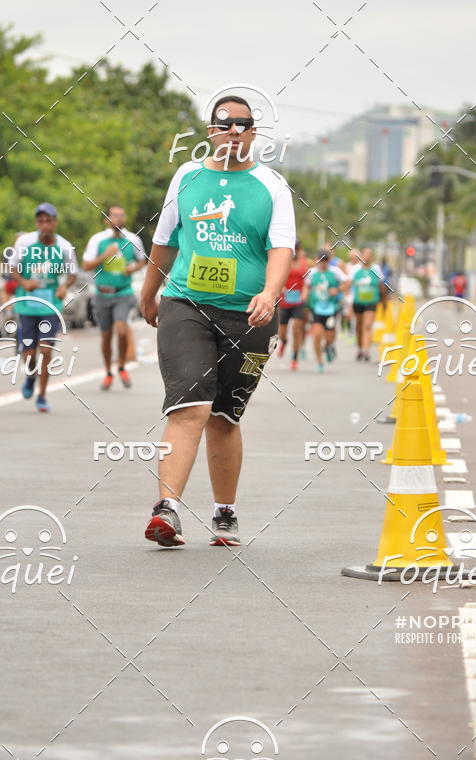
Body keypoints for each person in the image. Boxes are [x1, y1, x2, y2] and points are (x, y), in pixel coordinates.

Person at [139, 94, 295, 548]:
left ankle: (224, 510)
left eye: (243, 125)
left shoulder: (272, 186)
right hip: (186, 304)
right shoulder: (187, 176)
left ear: (254, 134)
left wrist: (269, 293)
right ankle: (165, 510)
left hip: (249, 314)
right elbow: (165, 240)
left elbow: (280, 247)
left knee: (224, 416)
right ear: (210, 131)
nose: (234, 131)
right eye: (225, 124)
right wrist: (149, 294)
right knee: (190, 404)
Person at [8, 203, 77, 412]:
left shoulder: (65, 246)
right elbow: (11, 267)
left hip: (50, 305)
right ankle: (30, 376)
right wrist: (24, 283)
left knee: (46, 350)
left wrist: (64, 286)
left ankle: (42, 395)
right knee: (29, 355)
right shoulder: (24, 242)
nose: (44, 225)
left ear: (55, 223)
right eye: (40, 221)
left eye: (48, 221)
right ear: (36, 223)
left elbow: (73, 273)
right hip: (27, 306)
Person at [83, 205, 147, 389]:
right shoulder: (98, 240)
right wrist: (104, 255)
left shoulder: (132, 239)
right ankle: (108, 372)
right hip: (103, 293)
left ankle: (121, 366)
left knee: (121, 329)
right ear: (107, 219)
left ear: (124, 219)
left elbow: (143, 260)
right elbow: (86, 266)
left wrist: (132, 268)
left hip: (123, 292)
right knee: (106, 336)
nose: (117, 219)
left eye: (121, 216)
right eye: (114, 216)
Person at [304, 251, 344, 373]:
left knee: (329, 336)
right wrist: (305, 296)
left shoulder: (335, 272)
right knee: (316, 335)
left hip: (331, 308)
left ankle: (328, 346)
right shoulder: (312, 273)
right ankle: (319, 361)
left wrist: (337, 290)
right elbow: (306, 286)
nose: (323, 263)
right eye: (321, 260)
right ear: (317, 260)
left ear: (329, 260)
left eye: (325, 260)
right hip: (316, 308)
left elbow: (348, 282)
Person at [277, 241, 308, 370]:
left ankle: (294, 358)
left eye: (297, 248)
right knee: (282, 331)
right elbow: (278, 278)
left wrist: (304, 295)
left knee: (297, 328)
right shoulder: (283, 261)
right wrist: (282, 288)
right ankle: (284, 341)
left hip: (298, 300)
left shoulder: (304, 263)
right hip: (285, 300)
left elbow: (306, 282)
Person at [351, 247, 384, 361]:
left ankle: (366, 351)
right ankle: (360, 348)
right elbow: (349, 285)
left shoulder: (376, 269)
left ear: (372, 257)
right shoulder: (355, 269)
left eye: (369, 255)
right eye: (365, 254)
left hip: (371, 301)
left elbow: (381, 285)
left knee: (367, 326)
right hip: (358, 302)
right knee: (359, 326)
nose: (367, 257)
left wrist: (384, 301)